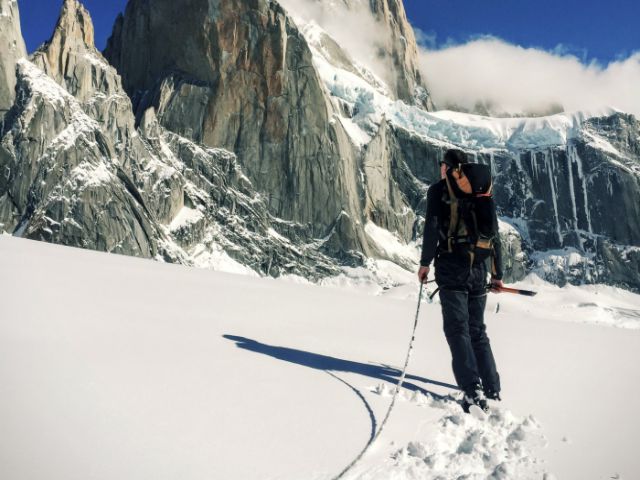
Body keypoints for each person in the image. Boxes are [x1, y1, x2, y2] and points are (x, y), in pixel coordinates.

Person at [417, 149, 504, 413]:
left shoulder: (438, 191)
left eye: (443, 165)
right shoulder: (480, 190)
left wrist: (425, 263)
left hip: (452, 266)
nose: (441, 169)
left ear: (450, 167)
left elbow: (432, 227)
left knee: (458, 330)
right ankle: (492, 388)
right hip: (479, 268)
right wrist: (497, 274)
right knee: (477, 330)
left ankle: (471, 389)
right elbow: (493, 234)